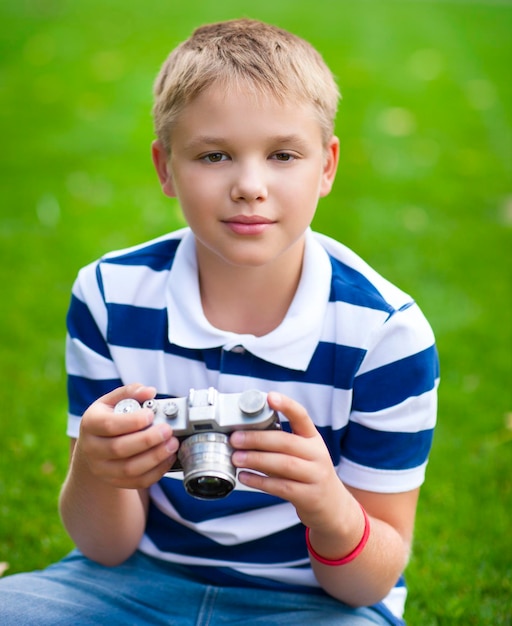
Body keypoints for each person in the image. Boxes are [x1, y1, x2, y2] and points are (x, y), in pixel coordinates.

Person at [0, 18, 439, 625]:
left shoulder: (385, 336)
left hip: (309, 602)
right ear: (165, 167)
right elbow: (106, 547)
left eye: (283, 154)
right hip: (137, 581)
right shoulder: (110, 295)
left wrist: (328, 506)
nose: (249, 187)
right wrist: (97, 472)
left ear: (328, 165)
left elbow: (369, 583)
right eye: (214, 155)